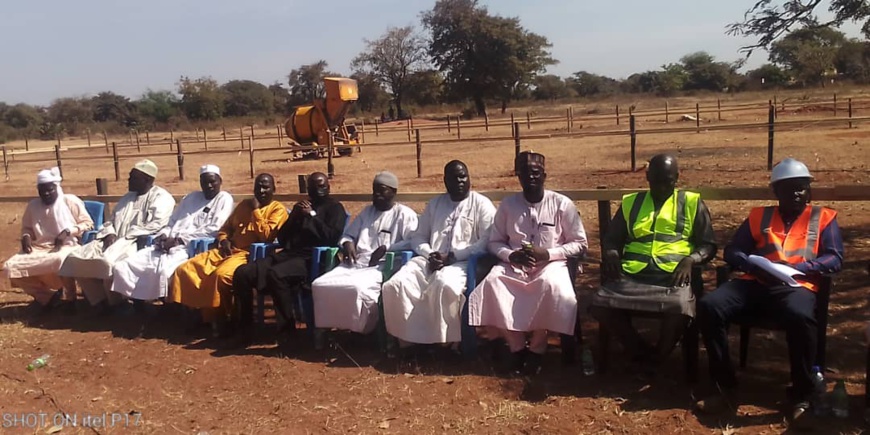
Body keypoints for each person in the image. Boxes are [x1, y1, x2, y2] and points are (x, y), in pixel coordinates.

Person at [695, 158, 843, 426]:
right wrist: (752, 263)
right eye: (790, 189)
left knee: (800, 317)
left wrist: (805, 266)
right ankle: (723, 386)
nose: (798, 194)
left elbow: (835, 258)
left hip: (797, 285)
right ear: (776, 192)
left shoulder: (823, 217)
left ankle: (801, 395)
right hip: (756, 282)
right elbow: (733, 251)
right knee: (710, 305)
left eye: (803, 188)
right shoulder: (759, 216)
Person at [590, 154, 716, 372]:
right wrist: (611, 252)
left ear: (677, 178)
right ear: (647, 177)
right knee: (599, 304)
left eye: (667, 181)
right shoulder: (632, 202)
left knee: (680, 307)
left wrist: (690, 259)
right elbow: (612, 238)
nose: (661, 187)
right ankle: (640, 352)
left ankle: (658, 357)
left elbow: (708, 244)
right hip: (632, 274)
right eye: (656, 181)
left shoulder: (692, 202)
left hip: (672, 276)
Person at [468, 151, 588, 375]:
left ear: (544, 175)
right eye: (525, 173)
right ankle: (516, 347)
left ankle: (536, 349)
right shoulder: (508, 205)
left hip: (552, 264)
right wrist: (510, 256)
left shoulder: (562, 204)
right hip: (514, 264)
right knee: (491, 285)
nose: (531, 177)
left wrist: (548, 254)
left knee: (551, 288)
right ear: (518, 176)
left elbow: (580, 243)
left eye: (536, 173)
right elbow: (494, 242)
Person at [382, 160, 495, 349]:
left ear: (469, 178)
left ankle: (447, 343)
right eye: (453, 178)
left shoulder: (482, 204)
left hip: (463, 262)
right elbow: (418, 237)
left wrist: (452, 257)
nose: (459, 181)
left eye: (463, 176)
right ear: (445, 181)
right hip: (429, 259)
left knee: (444, 284)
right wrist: (430, 254)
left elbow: (485, 241)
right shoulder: (435, 204)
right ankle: (409, 341)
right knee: (397, 284)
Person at [232, 172, 347, 341]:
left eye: (322, 186)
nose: (318, 190)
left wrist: (311, 215)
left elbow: (331, 237)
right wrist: (295, 216)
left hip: (313, 258)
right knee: (242, 273)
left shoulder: (335, 208)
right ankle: (245, 329)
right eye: (314, 187)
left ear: (328, 187)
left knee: (276, 274)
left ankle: (287, 331)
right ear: (308, 189)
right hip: (289, 254)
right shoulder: (302, 207)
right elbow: (284, 238)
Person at [170, 173, 288, 336]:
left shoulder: (277, 209)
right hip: (226, 250)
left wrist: (256, 211)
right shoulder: (243, 205)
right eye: (258, 186)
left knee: (221, 276)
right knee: (185, 269)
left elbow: (266, 236)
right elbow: (225, 229)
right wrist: (224, 240)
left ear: (274, 189)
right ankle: (197, 314)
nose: (261, 190)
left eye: (266, 187)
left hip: (249, 254)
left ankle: (221, 319)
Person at [311, 171, 418, 343]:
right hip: (355, 263)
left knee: (357, 288)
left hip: (383, 266)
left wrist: (387, 248)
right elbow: (348, 235)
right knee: (320, 284)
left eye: (382, 190)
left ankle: (361, 331)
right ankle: (327, 329)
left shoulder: (404, 214)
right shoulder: (367, 212)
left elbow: (413, 241)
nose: (376, 194)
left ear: (393, 192)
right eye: (374, 190)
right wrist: (347, 244)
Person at [58, 159, 175, 314]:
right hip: (112, 239)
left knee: (108, 262)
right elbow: (111, 220)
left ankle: (117, 303)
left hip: (134, 242)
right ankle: (99, 300)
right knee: (75, 258)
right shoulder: (127, 197)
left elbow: (156, 225)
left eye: (133, 177)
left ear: (147, 179)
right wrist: (109, 233)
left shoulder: (162, 198)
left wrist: (125, 237)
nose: (128, 180)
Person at [111, 165, 234, 303]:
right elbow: (172, 222)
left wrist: (179, 240)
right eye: (205, 182)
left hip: (190, 248)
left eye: (213, 181)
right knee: (126, 265)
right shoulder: (191, 197)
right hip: (166, 244)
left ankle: (168, 305)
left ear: (220, 181)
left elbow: (214, 229)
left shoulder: (223, 198)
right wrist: (163, 235)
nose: (209, 186)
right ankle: (137, 303)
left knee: (164, 272)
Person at [4, 167, 94, 313]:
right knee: (11, 267)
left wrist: (68, 231)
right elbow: (27, 228)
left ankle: (70, 299)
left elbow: (88, 223)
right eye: (42, 190)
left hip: (67, 245)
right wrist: (26, 237)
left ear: (56, 187)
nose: (46, 193)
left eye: (49, 190)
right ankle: (48, 298)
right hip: (40, 247)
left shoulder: (69, 201)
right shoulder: (33, 205)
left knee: (61, 260)